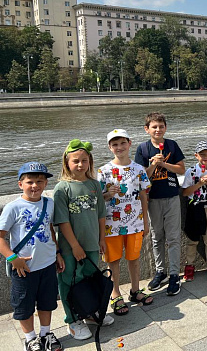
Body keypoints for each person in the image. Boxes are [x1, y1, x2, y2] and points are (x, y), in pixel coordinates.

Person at [0, 162, 64, 351]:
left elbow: (50, 229)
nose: (35, 186)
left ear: (46, 184)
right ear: (20, 184)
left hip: (48, 264)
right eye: (30, 182)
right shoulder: (13, 207)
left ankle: (45, 334)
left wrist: (57, 252)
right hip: (24, 268)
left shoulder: (49, 203)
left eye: (40, 181)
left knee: (47, 302)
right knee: (24, 305)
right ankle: (30, 338)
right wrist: (13, 259)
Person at [54, 140, 114, 340]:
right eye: (76, 161)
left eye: (84, 161)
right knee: (69, 281)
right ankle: (72, 320)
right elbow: (62, 221)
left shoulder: (94, 184)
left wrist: (102, 238)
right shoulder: (62, 188)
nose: (80, 165)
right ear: (67, 162)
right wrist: (74, 246)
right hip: (70, 247)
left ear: (90, 162)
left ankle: (89, 311)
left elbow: (101, 214)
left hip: (92, 243)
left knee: (89, 278)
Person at [98, 129, 153, 316]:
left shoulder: (139, 169)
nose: (119, 147)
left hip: (135, 222)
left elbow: (144, 196)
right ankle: (115, 294)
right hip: (111, 225)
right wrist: (108, 194)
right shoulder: (103, 171)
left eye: (122, 143)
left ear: (129, 144)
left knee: (134, 258)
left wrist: (145, 222)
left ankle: (135, 290)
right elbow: (98, 200)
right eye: (115, 144)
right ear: (109, 147)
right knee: (113, 260)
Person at [134, 112, 185, 296]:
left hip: (172, 196)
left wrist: (165, 165)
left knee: (173, 237)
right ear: (147, 129)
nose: (158, 130)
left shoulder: (172, 145)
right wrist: (155, 164)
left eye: (161, 126)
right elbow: (141, 177)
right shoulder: (143, 149)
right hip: (152, 199)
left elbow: (181, 169)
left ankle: (174, 274)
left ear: (165, 128)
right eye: (154, 127)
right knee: (157, 237)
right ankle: (160, 271)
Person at [181, 140, 207, 282]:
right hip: (194, 208)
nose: (205, 157)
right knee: (192, 239)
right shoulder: (191, 171)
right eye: (202, 154)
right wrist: (199, 183)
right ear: (196, 156)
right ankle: (189, 265)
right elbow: (185, 192)